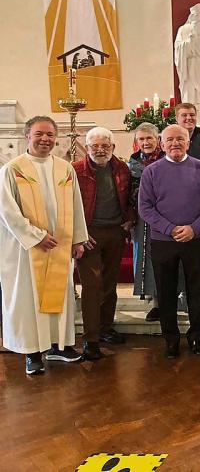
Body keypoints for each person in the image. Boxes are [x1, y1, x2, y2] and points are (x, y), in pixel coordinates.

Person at [0, 116, 88, 375]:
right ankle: (32, 353)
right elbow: (7, 212)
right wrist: (36, 236)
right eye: (39, 134)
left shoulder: (65, 168)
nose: (45, 139)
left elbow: (76, 205)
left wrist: (78, 238)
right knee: (29, 300)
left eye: (50, 134)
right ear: (27, 136)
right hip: (26, 250)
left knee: (61, 297)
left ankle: (58, 346)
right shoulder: (13, 169)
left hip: (59, 246)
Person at [138, 125, 200, 359]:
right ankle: (171, 340)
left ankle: (196, 338)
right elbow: (145, 207)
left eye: (180, 139)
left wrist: (194, 228)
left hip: (195, 239)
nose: (175, 143)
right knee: (166, 292)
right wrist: (170, 229)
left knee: (197, 290)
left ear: (188, 143)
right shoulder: (151, 172)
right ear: (162, 144)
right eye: (170, 140)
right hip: (163, 240)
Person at [73, 127, 135, 360]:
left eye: (105, 146)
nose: (100, 150)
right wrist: (79, 233)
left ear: (113, 147)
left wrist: (130, 218)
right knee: (91, 287)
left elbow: (130, 198)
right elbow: (68, 205)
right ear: (87, 148)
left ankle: (106, 328)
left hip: (115, 232)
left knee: (110, 284)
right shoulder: (75, 170)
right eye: (95, 146)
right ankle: (91, 339)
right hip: (88, 235)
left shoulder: (122, 168)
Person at [128, 123, 166, 322]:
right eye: (141, 139)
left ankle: (171, 299)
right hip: (142, 219)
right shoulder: (132, 164)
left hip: (166, 217)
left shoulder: (167, 160)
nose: (146, 142)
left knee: (165, 257)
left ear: (157, 140)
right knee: (146, 260)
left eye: (149, 138)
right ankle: (155, 303)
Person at [174, 3, 200, 127]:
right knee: (190, 93)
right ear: (191, 17)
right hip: (189, 68)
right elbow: (178, 48)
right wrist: (189, 43)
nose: (198, 18)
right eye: (195, 16)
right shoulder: (183, 30)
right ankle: (190, 117)